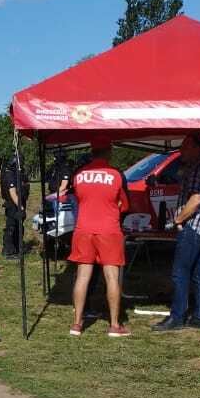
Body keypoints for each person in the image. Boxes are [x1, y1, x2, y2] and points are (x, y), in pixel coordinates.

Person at [59, 137, 131, 337]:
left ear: (92, 152)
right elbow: (125, 205)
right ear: (108, 152)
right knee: (111, 277)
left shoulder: (79, 174)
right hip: (109, 230)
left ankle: (76, 324)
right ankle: (115, 325)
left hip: (83, 229)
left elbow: (78, 197)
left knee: (82, 276)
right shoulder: (116, 174)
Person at [153, 134, 200, 331]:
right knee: (199, 273)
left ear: (197, 148)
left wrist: (178, 219)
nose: (181, 150)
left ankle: (177, 317)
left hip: (195, 226)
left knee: (180, 272)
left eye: (185, 146)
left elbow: (196, 199)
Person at [0, 154, 30, 260]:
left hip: (16, 204)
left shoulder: (15, 174)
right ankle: (9, 250)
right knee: (11, 227)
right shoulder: (10, 175)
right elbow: (12, 193)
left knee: (18, 226)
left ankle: (17, 248)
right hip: (13, 205)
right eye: (20, 163)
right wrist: (20, 206)